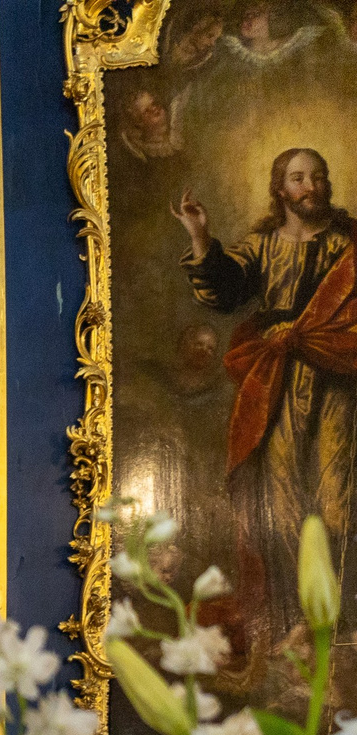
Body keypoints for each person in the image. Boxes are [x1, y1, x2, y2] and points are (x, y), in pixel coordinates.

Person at [175, 147, 357, 660]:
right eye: (299, 178)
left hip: (340, 377)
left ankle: (342, 620)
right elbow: (225, 291)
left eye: (318, 176)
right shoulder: (262, 245)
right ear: (281, 189)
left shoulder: (349, 244)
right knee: (281, 499)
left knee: (339, 495)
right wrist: (199, 235)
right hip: (277, 378)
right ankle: (299, 621)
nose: (311, 186)